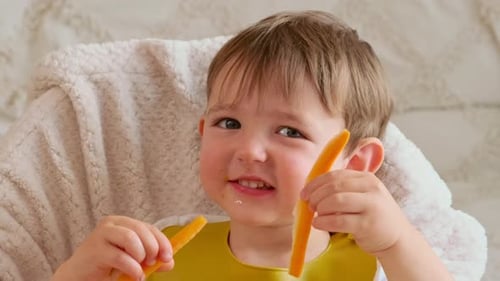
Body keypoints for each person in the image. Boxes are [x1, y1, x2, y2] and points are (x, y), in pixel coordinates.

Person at [52, 10, 453, 281]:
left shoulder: (378, 260)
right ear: (202, 131)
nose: (249, 150)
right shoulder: (164, 254)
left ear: (357, 162)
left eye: (289, 132)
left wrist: (397, 241)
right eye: (229, 123)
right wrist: (77, 271)